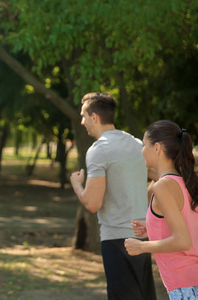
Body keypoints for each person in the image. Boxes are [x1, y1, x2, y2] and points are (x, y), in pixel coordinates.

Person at [69, 92, 156, 300]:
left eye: (83, 116)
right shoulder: (136, 144)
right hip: (143, 236)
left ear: (95, 117)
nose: (82, 121)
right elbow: (161, 176)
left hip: (117, 239)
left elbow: (92, 203)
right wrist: (142, 198)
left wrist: (77, 185)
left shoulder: (99, 150)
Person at [124, 120, 198, 299]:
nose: (141, 151)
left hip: (186, 285)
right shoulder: (185, 182)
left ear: (157, 148)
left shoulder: (163, 186)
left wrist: (142, 246)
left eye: (144, 145)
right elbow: (189, 228)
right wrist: (152, 229)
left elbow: (183, 241)